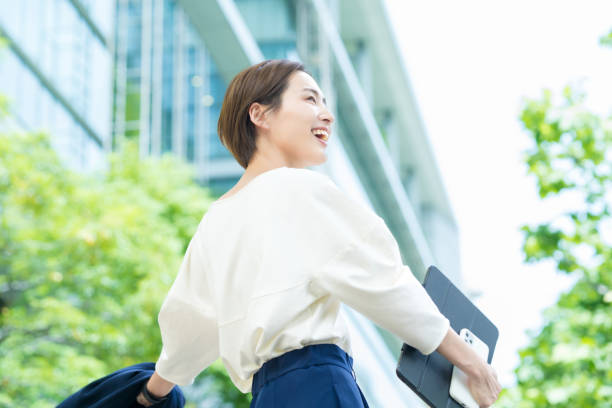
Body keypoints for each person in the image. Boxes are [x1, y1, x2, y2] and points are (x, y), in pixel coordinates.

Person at [136, 59, 502, 407]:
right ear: (259, 114)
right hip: (319, 384)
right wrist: (470, 361)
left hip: (267, 397)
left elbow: (189, 329)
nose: (326, 113)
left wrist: (149, 395)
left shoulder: (214, 223)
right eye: (310, 98)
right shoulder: (299, 189)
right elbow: (384, 282)